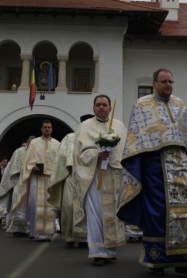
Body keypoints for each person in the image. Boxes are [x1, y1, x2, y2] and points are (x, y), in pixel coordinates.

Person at [118, 68, 187, 277]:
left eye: (170, 82)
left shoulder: (180, 104)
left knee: (186, 212)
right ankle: (156, 259)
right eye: (164, 81)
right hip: (155, 166)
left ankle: (185, 260)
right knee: (157, 212)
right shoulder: (142, 105)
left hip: (181, 164)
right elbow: (137, 138)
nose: (168, 85)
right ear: (154, 83)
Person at [69, 96, 128, 266]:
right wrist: (96, 154)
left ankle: (110, 250)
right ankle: (97, 251)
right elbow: (78, 153)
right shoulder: (85, 126)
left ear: (110, 108)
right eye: (98, 105)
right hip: (94, 174)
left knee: (114, 212)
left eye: (104, 105)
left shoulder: (119, 126)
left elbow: (126, 148)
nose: (101, 107)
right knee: (96, 211)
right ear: (93, 108)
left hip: (115, 173)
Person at [12, 121, 59, 241]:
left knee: (50, 204)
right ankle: (34, 230)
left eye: (49, 127)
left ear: (52, 129)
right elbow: (27, 160)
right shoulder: (34, 142)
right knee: (34, 202)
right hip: (37, 177)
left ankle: (48, 232)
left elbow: (59, 161)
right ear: (41, 129)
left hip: (51, 177)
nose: (47, 129)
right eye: (45, 127)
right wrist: (31, 166)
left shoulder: (57, 143)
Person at [48, 125, 87, 247]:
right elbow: (61, 157)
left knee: (86, 207)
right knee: (68, 206)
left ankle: (84, 238)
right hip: (71, 176)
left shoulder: (92, 137)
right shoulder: (69, 138)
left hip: (87, 177)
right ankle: (69, 237)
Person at [0, 136, 34, 235]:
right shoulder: (19, 152)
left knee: (31, 204)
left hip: (32, 182)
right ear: (27, 142)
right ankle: (17, 228)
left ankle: (30, 228)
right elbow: (14, 168)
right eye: (30, 143)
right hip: (20, 181)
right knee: (17, 203)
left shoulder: (37, 151)